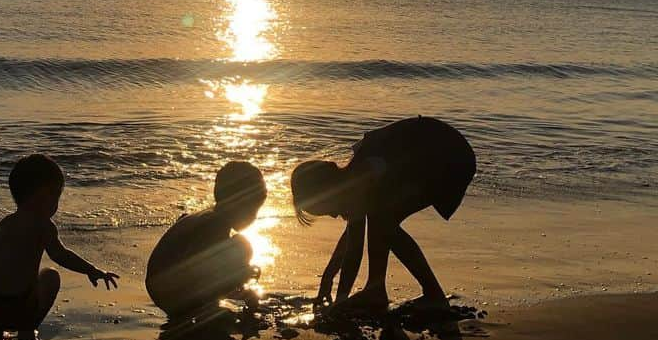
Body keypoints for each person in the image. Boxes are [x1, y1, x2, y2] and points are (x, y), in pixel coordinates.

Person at [290, 116, 476, 312]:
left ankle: (429, 294)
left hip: (447, 157)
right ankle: (376, 289)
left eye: (328, 211)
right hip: (438, 154)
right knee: (382, 219)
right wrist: (328, 277)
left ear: (327, 190)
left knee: (382, 221)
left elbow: (354, 248)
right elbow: (352, 236)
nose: (335, 216)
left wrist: (340, 300)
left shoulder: (361, 179)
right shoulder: (354, 180)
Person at [0, 152, 118, 340]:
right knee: (51, 276)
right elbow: (61, 255)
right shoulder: (44, 225)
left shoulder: (5, 222)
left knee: (13, 282)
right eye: (56, 196)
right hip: (17, 310)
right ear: (44, 196)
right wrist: (92, 270)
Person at [145, 160, 267, 324]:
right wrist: (241, 279)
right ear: (238, 202)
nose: (254, 217)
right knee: (241, 247)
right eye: (253, 210)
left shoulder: (204, 216)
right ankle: (201, 310)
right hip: (173, 294)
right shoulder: (214, 224)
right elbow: (199, 267)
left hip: (160, 288)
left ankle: (202, 307)